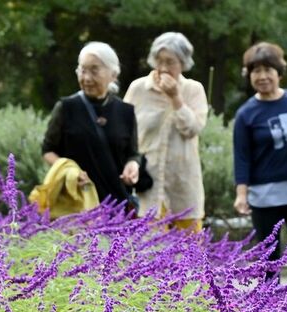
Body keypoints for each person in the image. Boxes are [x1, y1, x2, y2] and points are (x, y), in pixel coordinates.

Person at [233, 41, 287, 283]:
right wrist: (241, 194)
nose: (262, 76)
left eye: (267, 70)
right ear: (249, 75)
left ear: (279, 72)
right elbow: (241, 156)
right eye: (255, 71)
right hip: (264, 195)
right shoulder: (246, 114)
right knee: (269, 257)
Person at [124, 32, 208, 231]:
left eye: (170, 62)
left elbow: (193, 128)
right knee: (149, 253)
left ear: (183, 63)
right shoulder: (138, 89)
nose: (163, 68)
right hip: (147, 185)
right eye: (159, 61)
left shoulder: (193, 90)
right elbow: (124, 131)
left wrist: (176, 98)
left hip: (183, 184)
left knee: (189, 254)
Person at [42, 42, 140, 208]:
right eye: (82, 70)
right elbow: (47, 150)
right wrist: (70, 172)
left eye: (94, 70)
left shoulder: (126, 112)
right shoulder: (66, 107)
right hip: (76, 203)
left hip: (116, 204)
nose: (86, 78)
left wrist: (133, 165)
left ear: (113, 74)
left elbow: (133, 153)